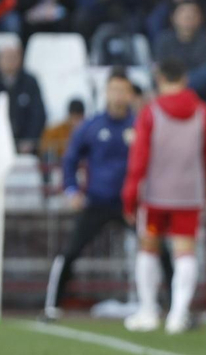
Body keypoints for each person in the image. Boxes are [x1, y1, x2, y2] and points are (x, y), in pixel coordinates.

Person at [123, 57, 206, 333]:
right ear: (185, 80)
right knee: (185, 252)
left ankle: (148, 311)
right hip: (189, 195)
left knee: (148, 248)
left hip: (155, 194)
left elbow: (138, 160)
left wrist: (130, 197)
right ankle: (178, 315)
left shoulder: (150, 112)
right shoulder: (202, 112)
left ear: (160, 79)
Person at [44, 70, 139, 320]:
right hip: (97, 202)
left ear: (130, 95)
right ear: (106, 93)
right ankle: (52, 305)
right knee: (70, 251)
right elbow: (70, 160)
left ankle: (173, 306)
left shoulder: (140, 125)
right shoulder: (92, 126)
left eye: (123, 90)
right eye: (114, 90)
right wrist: (71, 189)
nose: (118, 96)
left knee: (158, 249)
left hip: (131, 205)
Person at [0, 39, 46, 155]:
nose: (10, 61)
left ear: (21, 59)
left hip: (25, 146)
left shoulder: (30, 82)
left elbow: (38, 114)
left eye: (13, 57)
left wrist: (29, 139)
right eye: (6, 57)